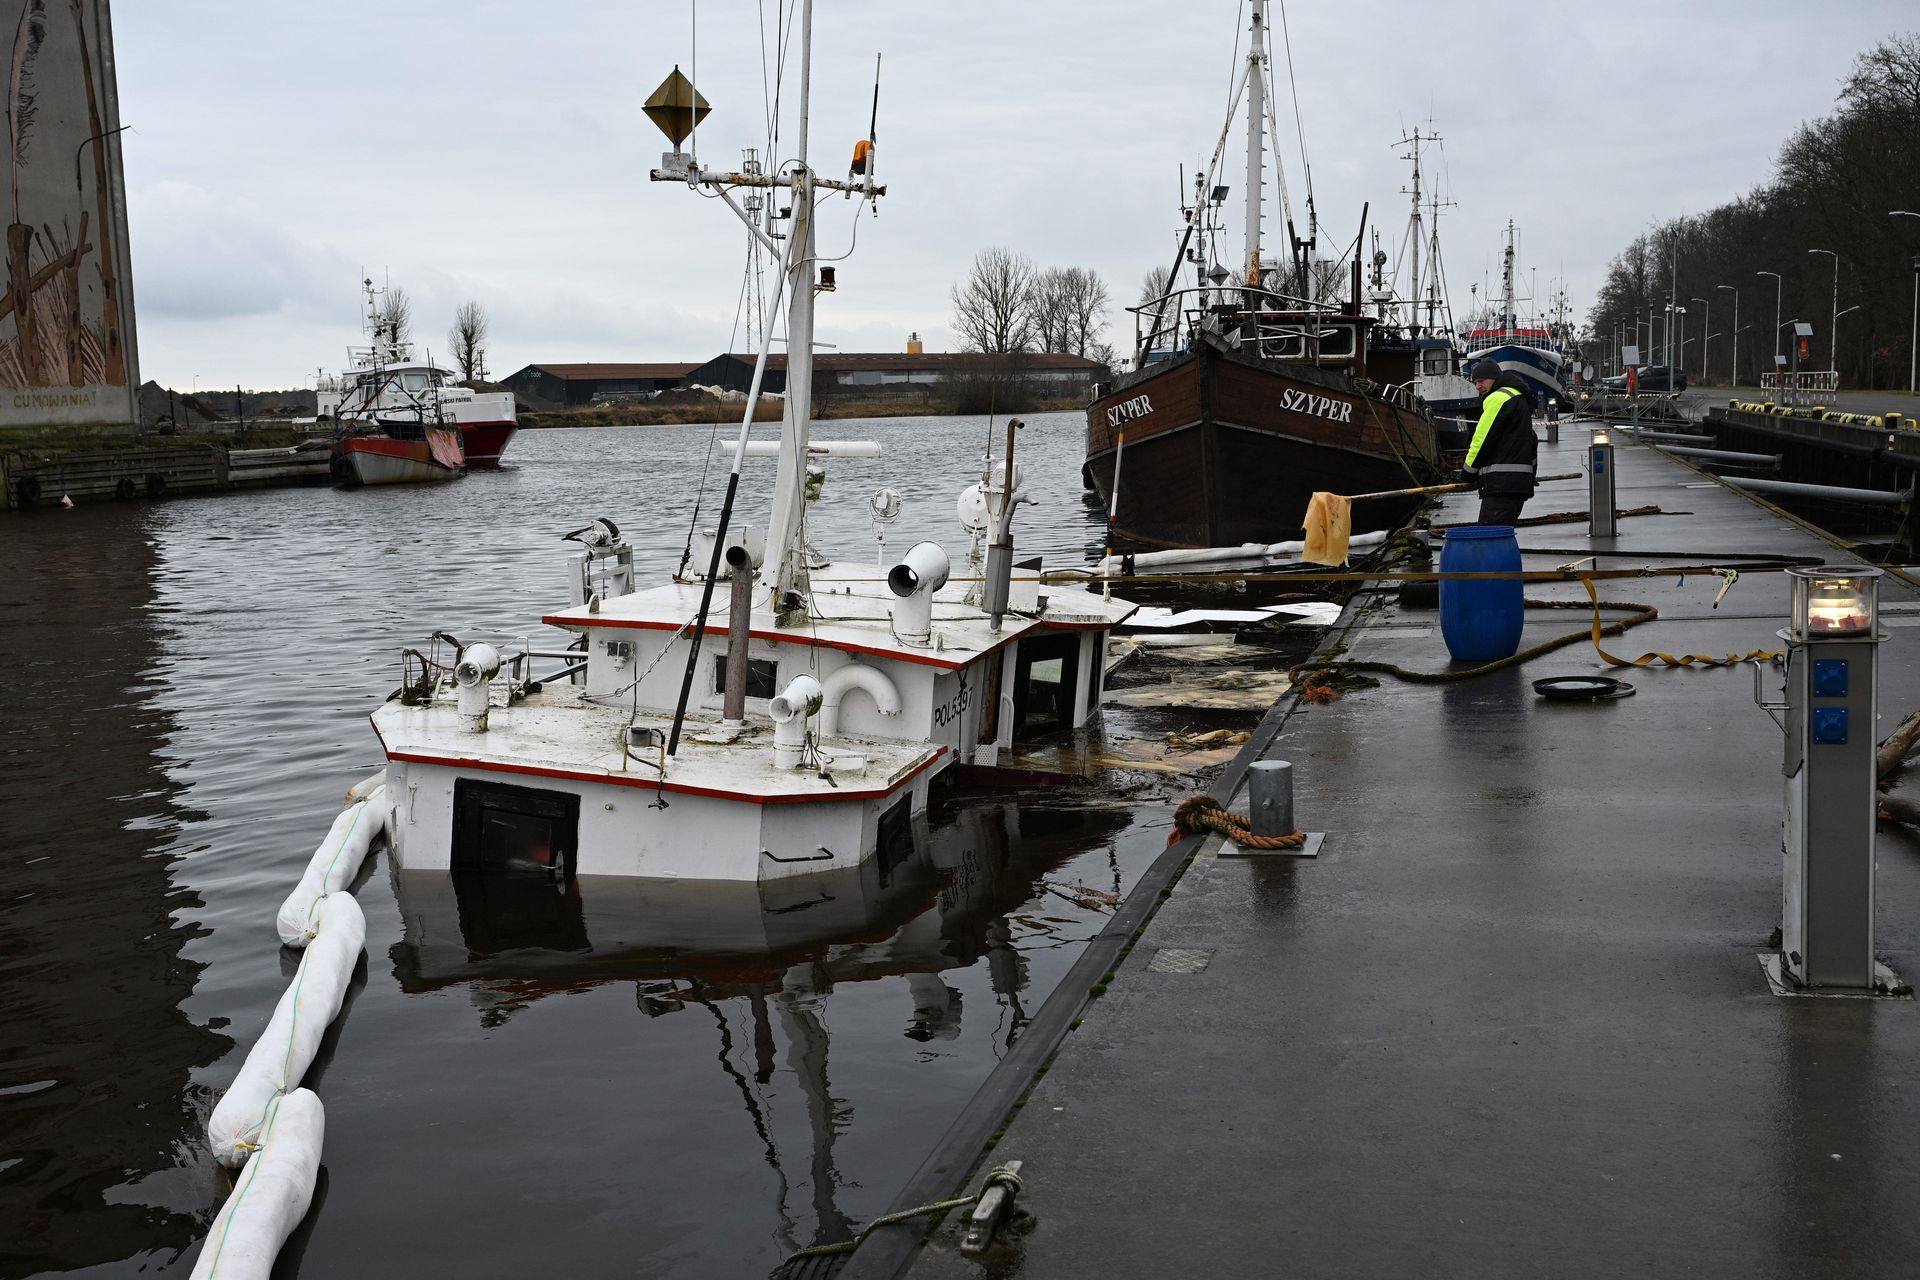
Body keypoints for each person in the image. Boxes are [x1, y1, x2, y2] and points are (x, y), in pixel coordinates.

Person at [1459, 357, 1538, 525]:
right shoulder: (1517, 397)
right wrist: (1531, 474)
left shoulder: (1497, 398)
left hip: (1501, 486)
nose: (1478, 386)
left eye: (1481, 381)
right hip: (1517, 484)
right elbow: (1531, 440)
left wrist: (1467, 473)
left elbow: (1481, 440)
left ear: (1494, 379)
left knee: (1489, 540)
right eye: (1475, 383)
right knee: (1502, 537)